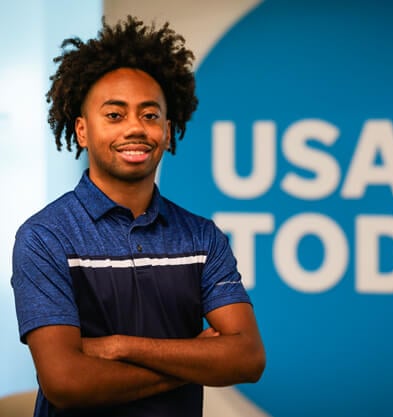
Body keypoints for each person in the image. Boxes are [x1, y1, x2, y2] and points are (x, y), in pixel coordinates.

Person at [10, 15, 265, 417]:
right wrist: (197, 358)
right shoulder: (45, 237)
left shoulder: (202, 238)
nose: (136, 128)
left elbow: (247, 358)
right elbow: (66, 383)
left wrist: (120, 347)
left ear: (167, 129)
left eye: (149, 115)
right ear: (81, 130)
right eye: (114, 115)